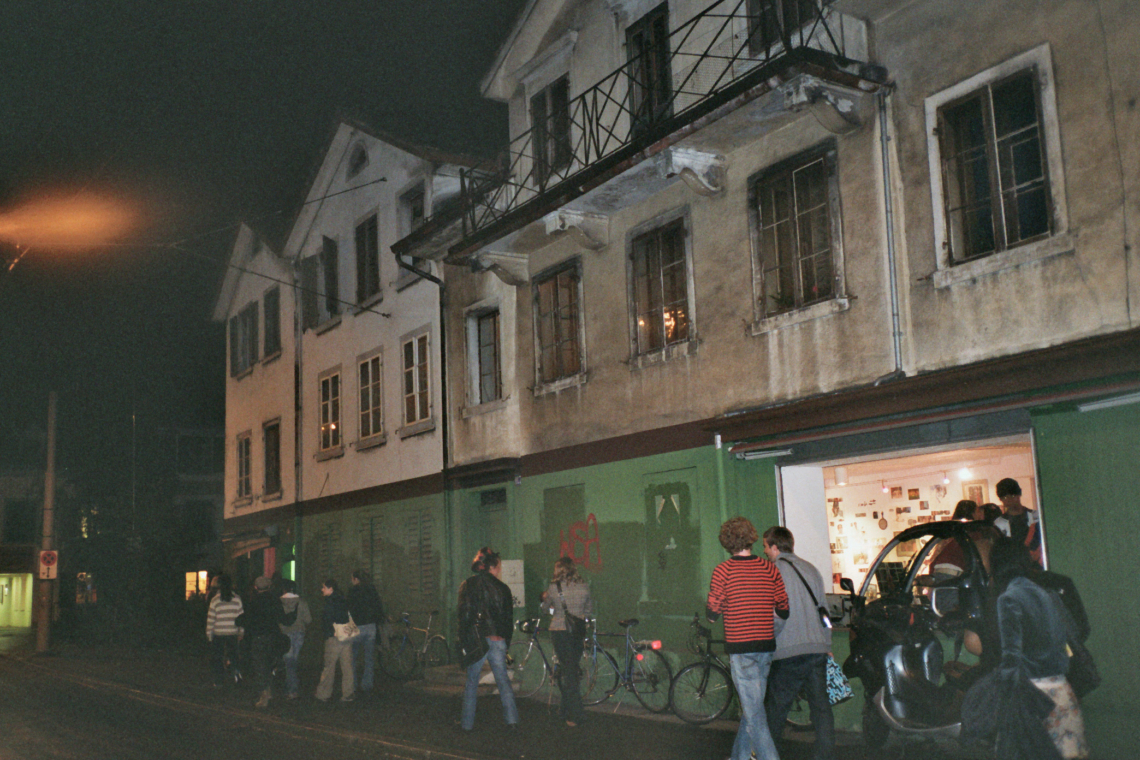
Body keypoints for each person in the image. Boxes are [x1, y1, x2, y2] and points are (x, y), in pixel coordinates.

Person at [989, 537, 1088, 759]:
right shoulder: (1044, 591)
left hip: (1035, 699)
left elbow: (1011, 657)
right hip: (1063, 691)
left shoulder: (1008, 598)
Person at [707, 517, 789, 760]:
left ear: (727, 542)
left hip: (741, 649)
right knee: (753, 710)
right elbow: (784, 609)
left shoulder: (723, 571)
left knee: (754, 715)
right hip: (766, 647)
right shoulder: (769, 568)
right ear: (751, 539)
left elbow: (712, 613)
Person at [762, 526, 835, 760]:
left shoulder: (773, 572)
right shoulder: (811, 569)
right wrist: (827, 643)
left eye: (765, 546)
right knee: (821, 708)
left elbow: (776, 615)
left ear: (775, 547)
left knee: (776, 709)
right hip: (817, 649)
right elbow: (824, 611)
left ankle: (769, 755)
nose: (764, 551)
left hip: (789, 651)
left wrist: (770, 638)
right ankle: (825, 755)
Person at [457, 547, 518, 731]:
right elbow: (508, 620)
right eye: (498, 566)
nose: (500, 569)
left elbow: (464, 615)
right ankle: (512, 720)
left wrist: (463, 640)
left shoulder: (468, 585)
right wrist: (505, 643)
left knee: (472, 682)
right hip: (497, 639)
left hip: (477, 639)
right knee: (503, 681)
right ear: (493, 567)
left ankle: (467, 724)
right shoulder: (504, 588)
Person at [542, 556, 593, 727]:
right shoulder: (584, 586)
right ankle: (564, 710)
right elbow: (588, 610)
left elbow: (545, 609)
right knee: (570, 668)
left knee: (568, 672)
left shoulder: (553, 588)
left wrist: (547, 601)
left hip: (560, 631)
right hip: (577, 631)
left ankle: (576, 715)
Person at [315, 578, 355, 703]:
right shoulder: (343, 599)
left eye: (324, 587)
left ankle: (323, 693)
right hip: (346, 635)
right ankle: (348, 693)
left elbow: (327, 619)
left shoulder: (330, 601)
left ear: (330, 588)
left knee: (329, 667)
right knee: (347, 666)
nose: (322, 590)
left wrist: (327, 633)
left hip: (334, 637)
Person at [245, 575, 283, 708]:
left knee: (260, 665)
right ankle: (270, 690)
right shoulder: (275, 600)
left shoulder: (254, 601)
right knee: (270, 663)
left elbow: (249, 620)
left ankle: (264, 694)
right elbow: (281, 617)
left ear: (256, 587)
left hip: (259, 636)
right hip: (273, 635)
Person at [347, 569, 385, 694]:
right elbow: (378, 607)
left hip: (356, 627)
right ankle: (367, 685)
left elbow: (348, 609)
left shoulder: (352, 591)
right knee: (369, 659)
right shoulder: (371, 590)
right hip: (370, 627)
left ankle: (352, 684)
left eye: (352, 578)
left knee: (352, 657)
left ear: (356, 579)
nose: (351, 580)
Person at [993, 478, 1043, 565]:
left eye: (1012, 496)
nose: (1009, 500)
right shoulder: (999, 523)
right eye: (1004, 497)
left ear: (1019, 494)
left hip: (1037, 563)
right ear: (1001, 499)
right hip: (1012, 565)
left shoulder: (1036, 516)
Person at [205, 574, 243, 687]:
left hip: (218, 633)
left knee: (217, 658)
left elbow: (211, 618)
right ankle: (236, 673)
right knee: (233, 655)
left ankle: (218, 680)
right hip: (232, 632)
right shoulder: (237, 599)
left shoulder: (215, 600)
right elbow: (241, 617)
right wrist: (241, 631)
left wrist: (209, 634)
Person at [279, 579, 312, 701]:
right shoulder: (302, 602)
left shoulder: (279, 602)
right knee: (293, 662)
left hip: (284, 634)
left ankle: (291, 689)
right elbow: (308, 620)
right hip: (299, 633)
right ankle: (292, 688)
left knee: (289, 662)